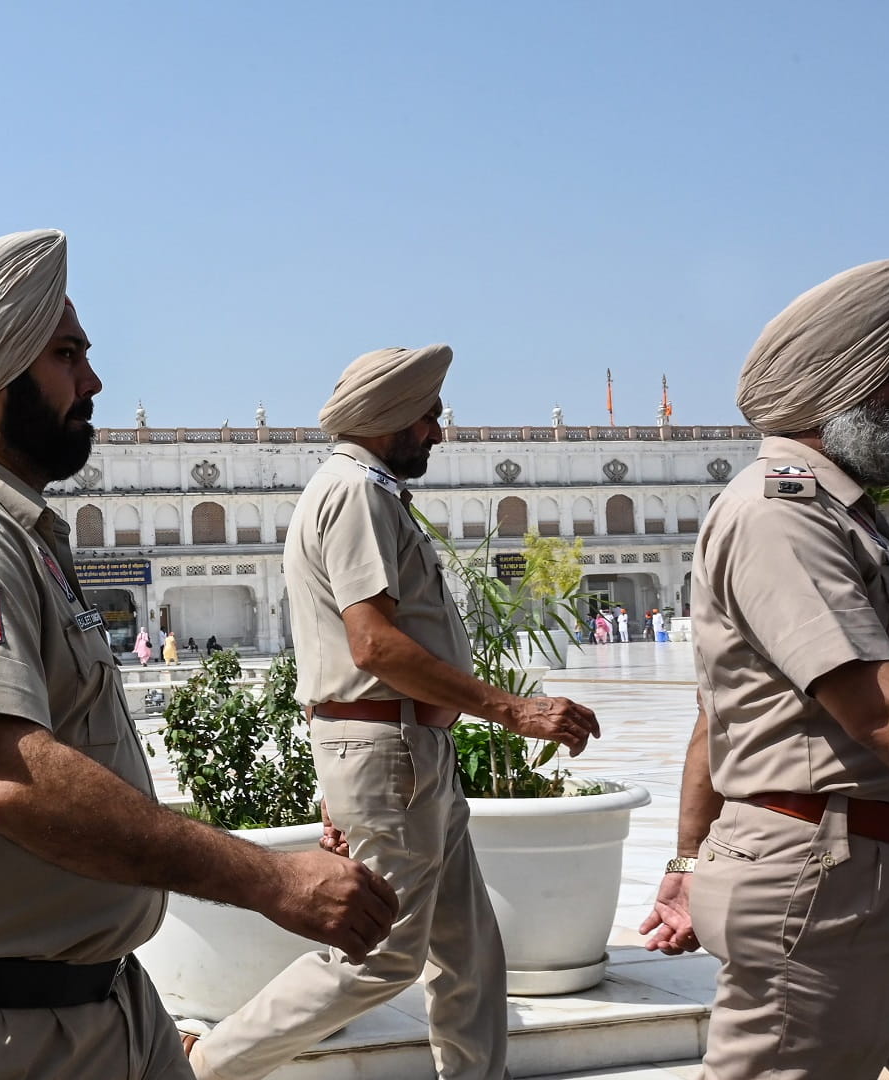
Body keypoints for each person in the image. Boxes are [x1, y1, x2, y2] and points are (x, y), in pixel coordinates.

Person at [0, 229, 397, 1080]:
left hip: (96, 1007)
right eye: (67, 356)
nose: (92, 381)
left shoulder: (14, 532)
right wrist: (272, 881)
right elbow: (8, 776)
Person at [183, 345, 599, 1080]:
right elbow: (372, 644)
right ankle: (203, 1064)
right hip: (390, 750)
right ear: (390, 419)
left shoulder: (367, 490)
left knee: (467, 948)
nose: (438, 432)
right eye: (429, 416)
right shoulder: (356, 493)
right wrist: (513, 711)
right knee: (381, 953)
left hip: (409, 751)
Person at [639, 259, 889, 1078]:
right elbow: (885, 714)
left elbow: (718, 712)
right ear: (839, 383)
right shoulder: (780, 513)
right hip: (829, 891)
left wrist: (687, 863)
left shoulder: (841, 513)